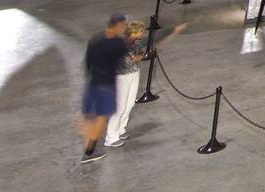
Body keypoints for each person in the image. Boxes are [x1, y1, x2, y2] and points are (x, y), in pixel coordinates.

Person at [105, 21, 187, 149]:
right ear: (134, 32)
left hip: (134, 75)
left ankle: (121, 129)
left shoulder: (137, 42)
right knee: (120, 108)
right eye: (140, 32)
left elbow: (153, 39)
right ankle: (110, 138)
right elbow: (127, 58)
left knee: (130, 104)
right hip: (122, 77)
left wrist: (173, 30)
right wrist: (142, 56)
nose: (142, 34)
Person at [79, 13, 132, 163]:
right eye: (123, 25)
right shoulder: (117, 43)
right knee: (101, 118)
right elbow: (127, 59)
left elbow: (87, 62)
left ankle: (87, 146)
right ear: (118, 25)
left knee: (89, 117)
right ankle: (89, 152)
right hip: (106, 85)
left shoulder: (95, 39)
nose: (124, 28)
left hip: (92, 82)